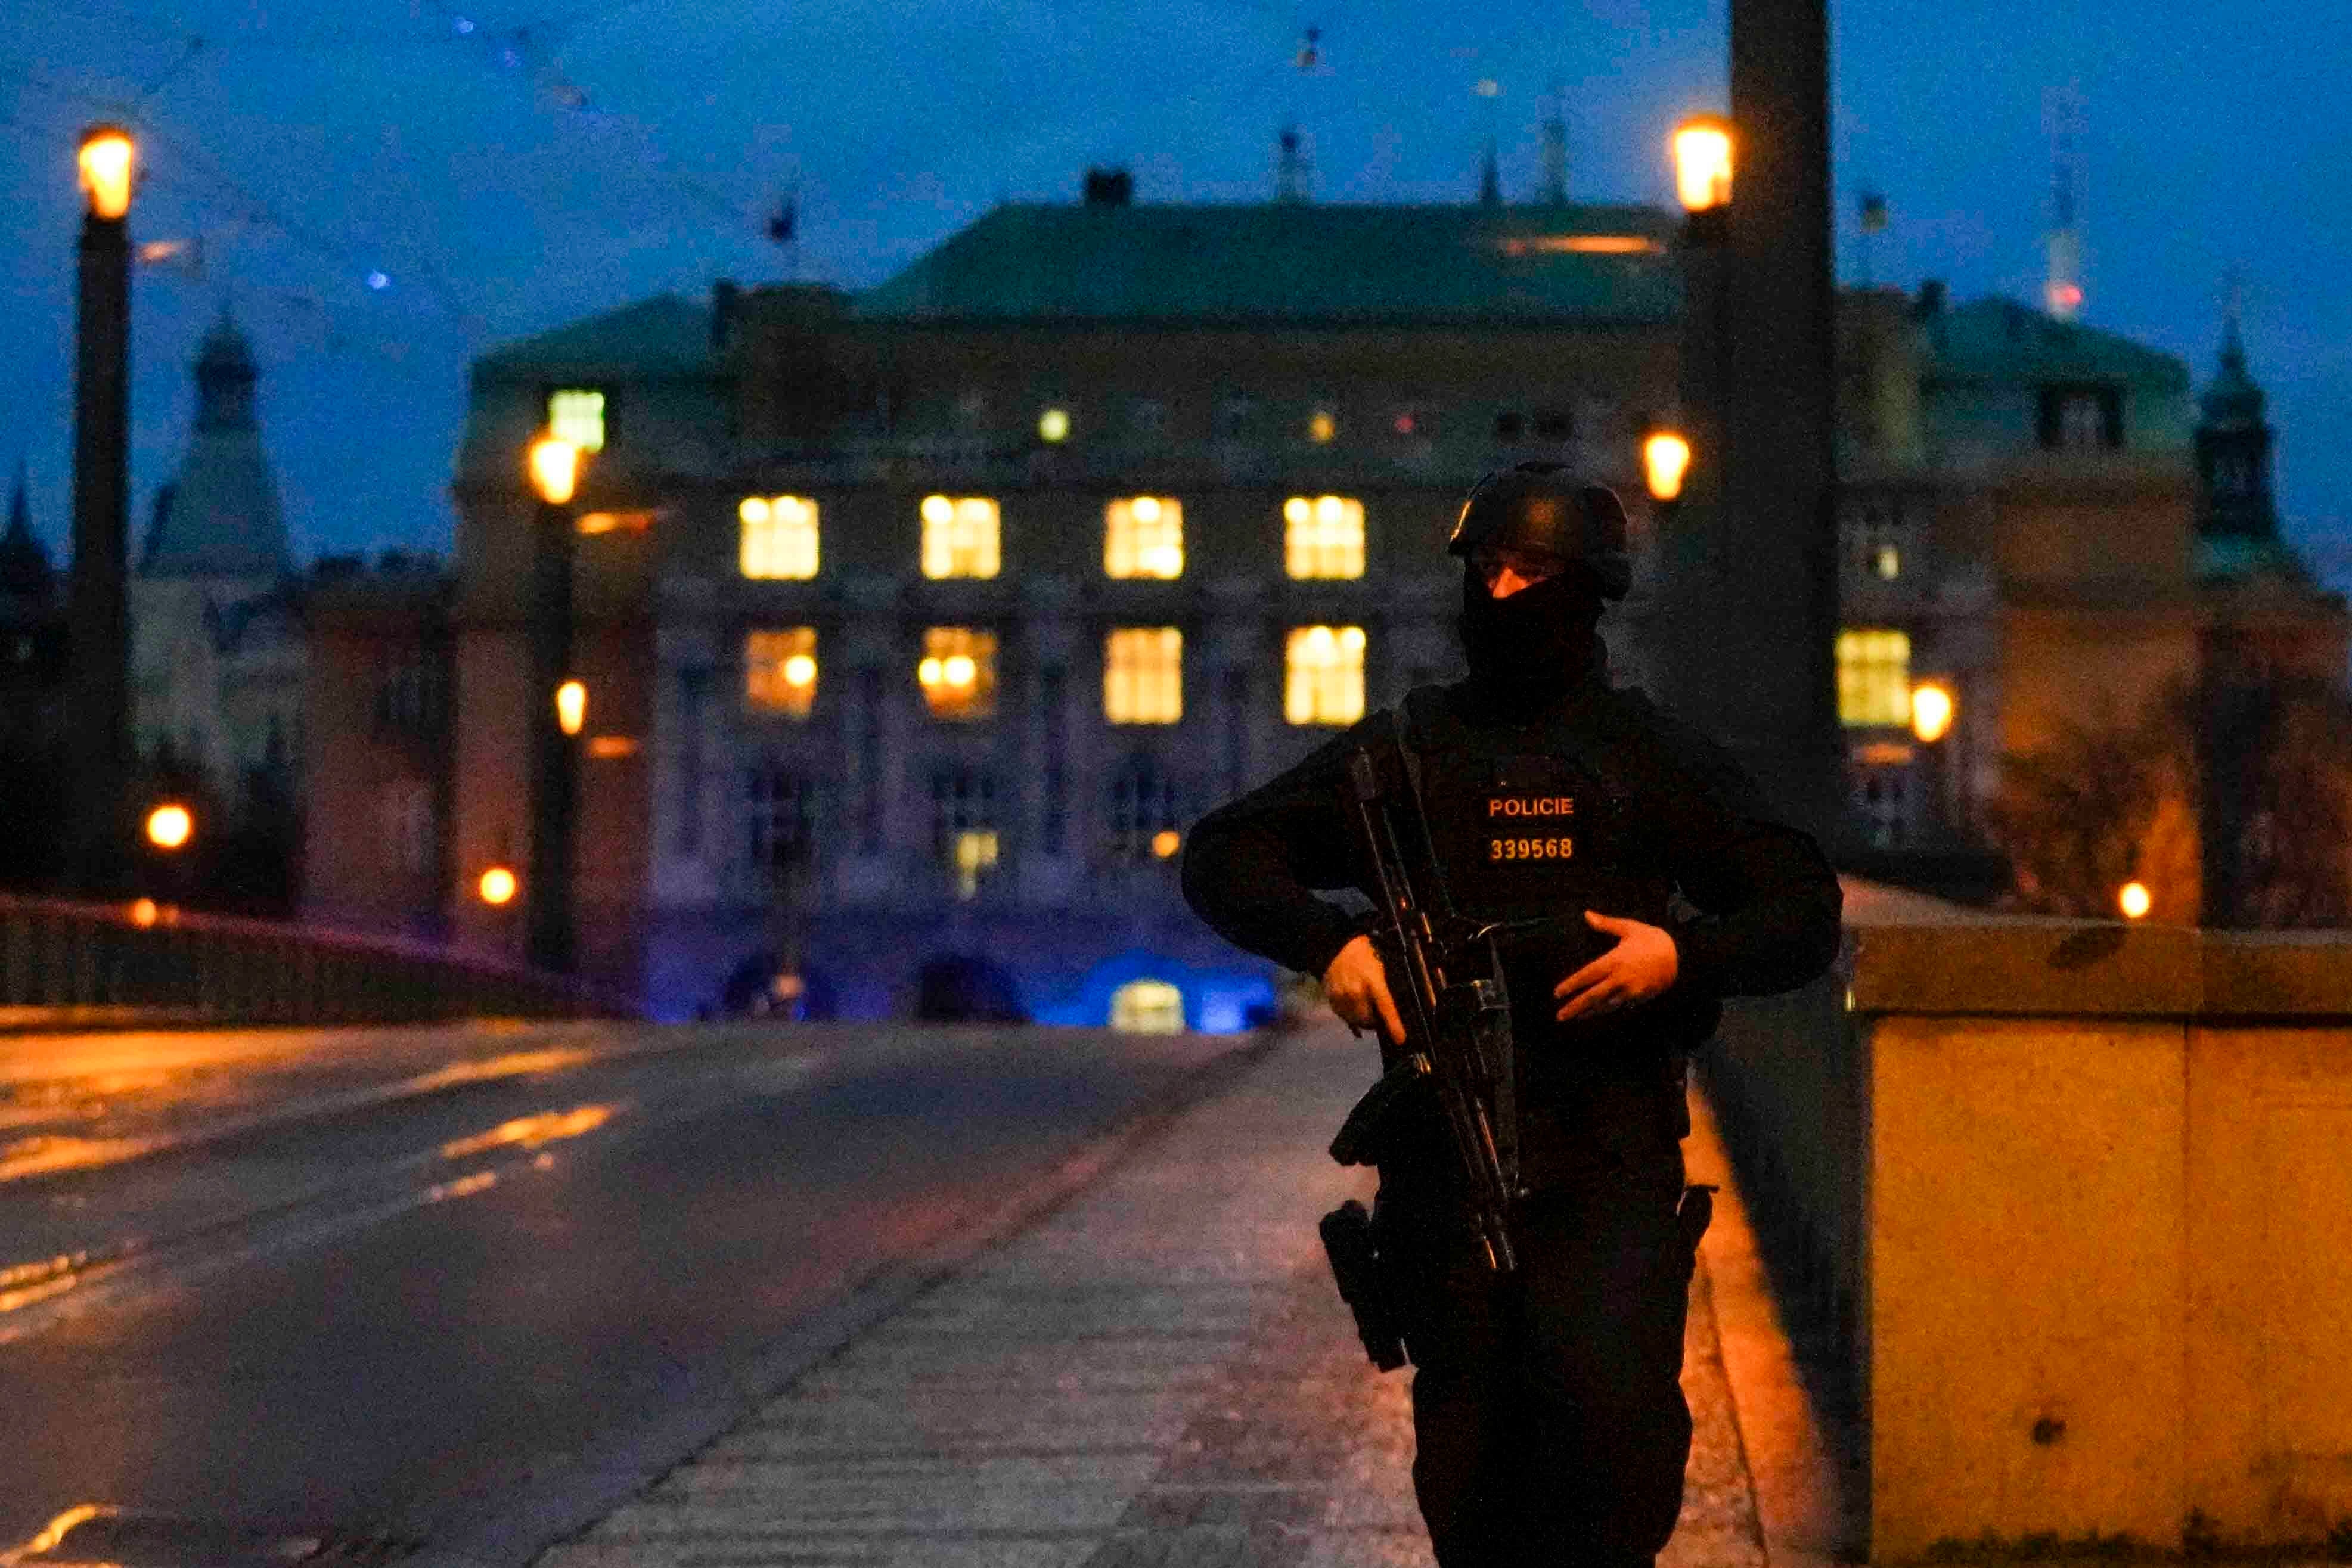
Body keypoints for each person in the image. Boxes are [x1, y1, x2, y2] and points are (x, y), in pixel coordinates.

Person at [1180, 463, 1842, 1567]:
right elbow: (1224, 853)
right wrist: (1329, 941)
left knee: (1611, 1434)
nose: (1499, 593)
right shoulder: (1405, 756)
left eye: (1529, 570)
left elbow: (1801, 911)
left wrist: (1680, 954)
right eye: (1482, 568)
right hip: (1445, 1168)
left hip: (1609, 1158)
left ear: (1588, 588)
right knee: (1469, 1465)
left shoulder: (1648, 757)